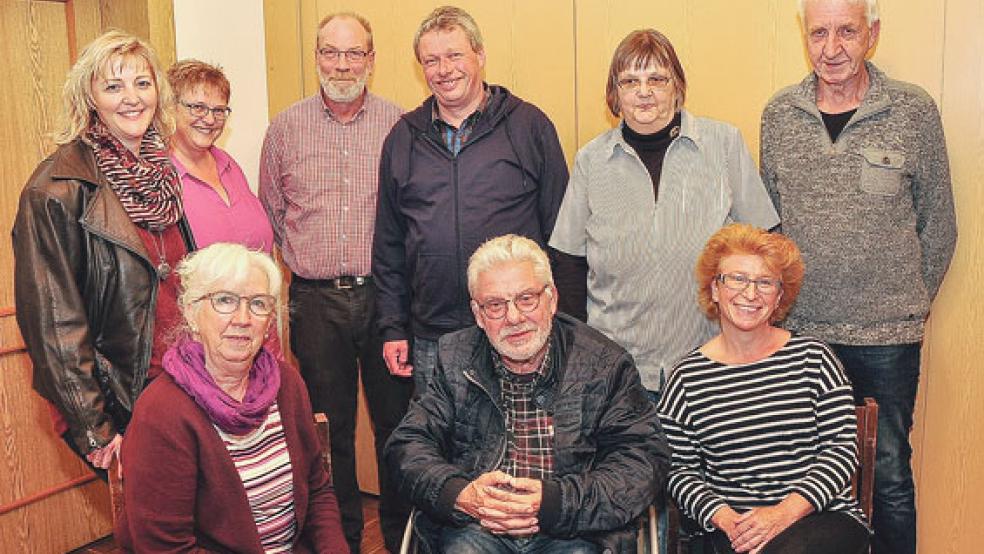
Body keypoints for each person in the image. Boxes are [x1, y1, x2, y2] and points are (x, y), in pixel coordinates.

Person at [759, 1, 957, 551]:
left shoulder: (913, 111)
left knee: (888, 470)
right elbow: (769, 224)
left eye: (846, 31)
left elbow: (939, 224)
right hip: (800, 336)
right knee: (802, 474)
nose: (831, 48)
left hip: (887, 339)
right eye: (818, 33)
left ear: (872, 33)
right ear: (804, 35)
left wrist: (908, 304)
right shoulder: (779, 114)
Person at [386, 234, 669, 553]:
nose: (514, 318)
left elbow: (642, 461)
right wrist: (460, 494)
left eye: (526, 298)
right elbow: (407, 445)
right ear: (478, 314)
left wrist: (553, 503)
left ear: (552, 298)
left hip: (573, 529)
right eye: (495, 305)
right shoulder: (455, 357)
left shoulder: (604, 364)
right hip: (477, 525)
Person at [550, 28, 779, 397]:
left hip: (712, 365)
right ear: (614, 94)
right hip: (616, 374)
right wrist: (580, 360)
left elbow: (766, 248)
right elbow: (569, 264)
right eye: (630, 81)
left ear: (678, 87)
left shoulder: (723, 145)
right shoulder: (591, 161)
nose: (644, 92)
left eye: (657, 79)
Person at [259, 12, 410, 553]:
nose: (342, 65)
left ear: (371, 59)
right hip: (315, 301)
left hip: (386, 298)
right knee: (328, 428)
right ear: (317, 56)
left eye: (354, 53)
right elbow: (273, 213)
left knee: (397, 426)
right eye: (330, 52)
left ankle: (401, 535)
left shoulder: (400, 125)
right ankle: (340, 537)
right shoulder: (284, 128)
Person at [12, 30, 194, 475]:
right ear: (89, 97)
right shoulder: (55, 190)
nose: (132, 98)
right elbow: (54, 323)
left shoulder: (162, 176)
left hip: (185, 380)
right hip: (123, 400)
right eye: (114, 86)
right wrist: (94, 428)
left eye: (142, 83)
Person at [372, 5, 569, 395]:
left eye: (454, 55)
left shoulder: (528, 126)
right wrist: (392, 326)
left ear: (480, 55)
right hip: (434, 336)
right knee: (438, 433)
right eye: (431, 60)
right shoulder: (403, 138)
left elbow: (562, 234)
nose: (444, 70)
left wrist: (562, 321)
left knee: (522, 431)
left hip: (517, 328)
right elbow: (389, 244)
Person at [115, 242, 349, 553]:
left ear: (270, 320)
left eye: (258, 303)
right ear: (192, 313)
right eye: (225, 300)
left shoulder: (287, 383)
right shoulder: (161, 412)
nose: (242, 318)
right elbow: (168, 548)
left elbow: (317, 489)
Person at [658, 224, 870, 554]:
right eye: (737, 279)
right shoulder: (687, 377)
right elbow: (678, 470)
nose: (750, 293)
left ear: (779, 297)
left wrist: (781, 515)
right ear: (715, 289)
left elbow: (840, 451)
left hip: (820, 520)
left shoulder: (814, 359)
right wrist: (727, 520)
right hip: (733, 529)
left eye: (765, 282)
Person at [167, 59, 273, 252]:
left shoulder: (228, 164)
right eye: (198, 107)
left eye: (218, 110)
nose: (210, 119)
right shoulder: (160, 176)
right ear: (171, 108)